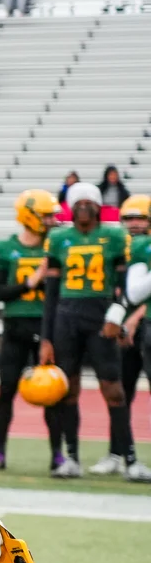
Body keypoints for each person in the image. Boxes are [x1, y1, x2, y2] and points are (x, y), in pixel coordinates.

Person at [37, 182, 132, 478]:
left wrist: (118, 316)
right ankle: (73, 458)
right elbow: (51, 293)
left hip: (101, 316)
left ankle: (129, 459)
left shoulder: (114, 236)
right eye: (78, 202)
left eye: (89, 202)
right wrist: (46, 338)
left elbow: (126, 285)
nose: (83, 207)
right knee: (68, 390)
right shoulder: (58, 238)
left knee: (113, 389)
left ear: (98, 206)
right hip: (67, 316)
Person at [0, 190, 59, 470]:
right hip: (15, 326)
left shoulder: (56, 246)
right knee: (6, 389)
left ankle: (58, 455)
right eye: (46, 215)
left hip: (47, 326)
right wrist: (30, 282)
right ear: (29, 215)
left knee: (54, 394)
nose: (51, 221)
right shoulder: (5, 249)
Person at [112, 195, 151, 477]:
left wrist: (135, 317)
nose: (134, 223)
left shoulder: (143, 247)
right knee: (120, 392)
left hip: (141, 324)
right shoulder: (119, 245)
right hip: (122, 324)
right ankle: (117, 452)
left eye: (140, 218)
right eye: (129, 218)